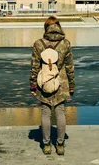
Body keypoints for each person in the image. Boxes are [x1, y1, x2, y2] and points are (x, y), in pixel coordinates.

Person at [30, 16, 75, 155]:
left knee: (45, 113)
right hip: (61, 83)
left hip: (44, 83)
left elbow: (34, 66)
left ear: (46, 28)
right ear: (59, 27)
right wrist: (72, 85)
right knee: (60, 112)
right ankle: (60, 145)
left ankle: (47, 145)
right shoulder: (65, 43)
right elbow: (69, 67)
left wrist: (32, 85)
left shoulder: (38, 44)